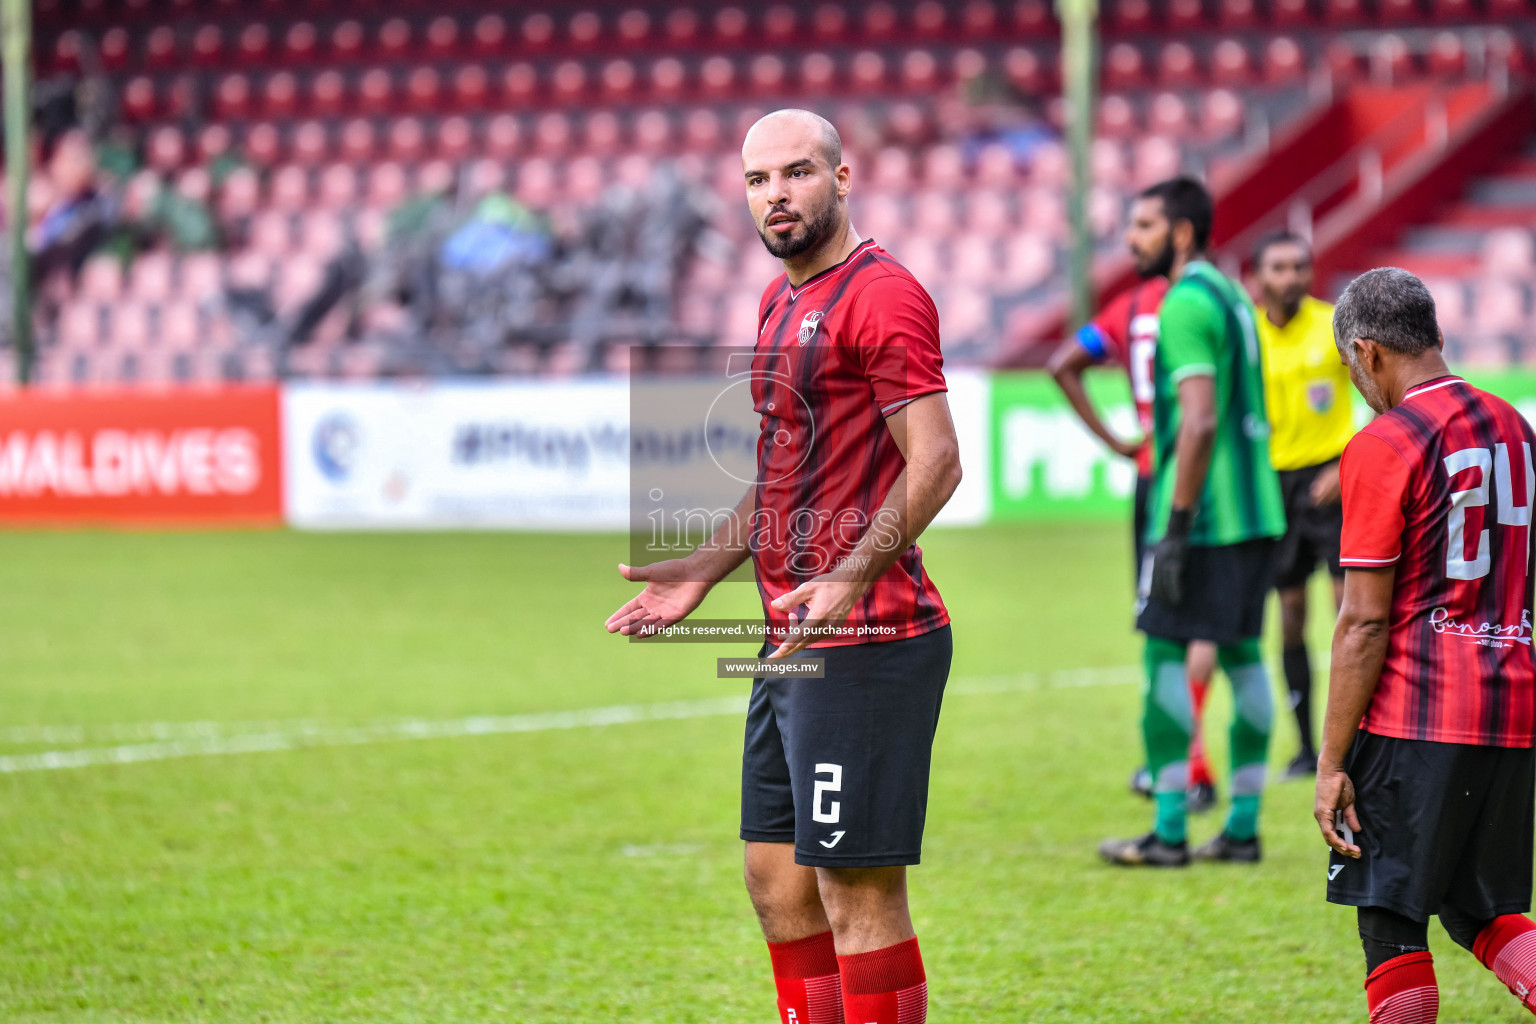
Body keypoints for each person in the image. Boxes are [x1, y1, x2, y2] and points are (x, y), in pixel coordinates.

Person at [606, 109, 961, 1024]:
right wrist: (704, 572)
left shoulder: (882, 296)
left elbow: (938, 461)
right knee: (778, 885)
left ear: (841, 180)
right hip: (791, 636)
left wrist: (845, 573)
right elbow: (777, 476)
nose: (776, 196)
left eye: (797, 174)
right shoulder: (779, 300)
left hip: (868, 636)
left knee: (857, 893)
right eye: (759, 180)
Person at [1315, 267, 1536, 1022]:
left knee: (1390, 918)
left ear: (1368, 353)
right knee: (1484, 909)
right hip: (1511, 709)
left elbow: (1363, 622)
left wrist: (1332, 761)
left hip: (1418, 715)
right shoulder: (1515, 425)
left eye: (1353, 367)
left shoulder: (1386, 441)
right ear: (1436, 336)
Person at [1098, 177, 1285, 866]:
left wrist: (1174, 528)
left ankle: (1170, 829)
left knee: (1163, 657)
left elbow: (1199, 420)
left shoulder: (1182, 303)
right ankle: (1242, 826)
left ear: (1180, 232)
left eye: (1144, 225)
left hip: (1206, 517)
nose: (1131, 239)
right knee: (1241, 654)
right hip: (1258, 509)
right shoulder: (1233, 293)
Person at [1047, 275, 1221, 814]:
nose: (1133, 237)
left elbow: (1063, 364)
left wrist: (1117, 442)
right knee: (1204, 625)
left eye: (1144, 226)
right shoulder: (1212, 300)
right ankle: (1190, 769)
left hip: (1159, 475)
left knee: (1167, 625)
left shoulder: (1132, 307)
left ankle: (1183, 766)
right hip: (1213, 480)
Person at [1251, 230, 1353, 780]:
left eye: (1300, 266)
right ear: (1260, 277)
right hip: (1276, 488)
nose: (1292, 276)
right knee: (1290, 617)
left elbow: (1379, 393)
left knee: (1351, 612)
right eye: (1280, 267)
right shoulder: (1247, 336)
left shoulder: (1334, 324)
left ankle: (1356, 738)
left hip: (1332, 482)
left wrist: (1345, 464)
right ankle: (1302, 745)